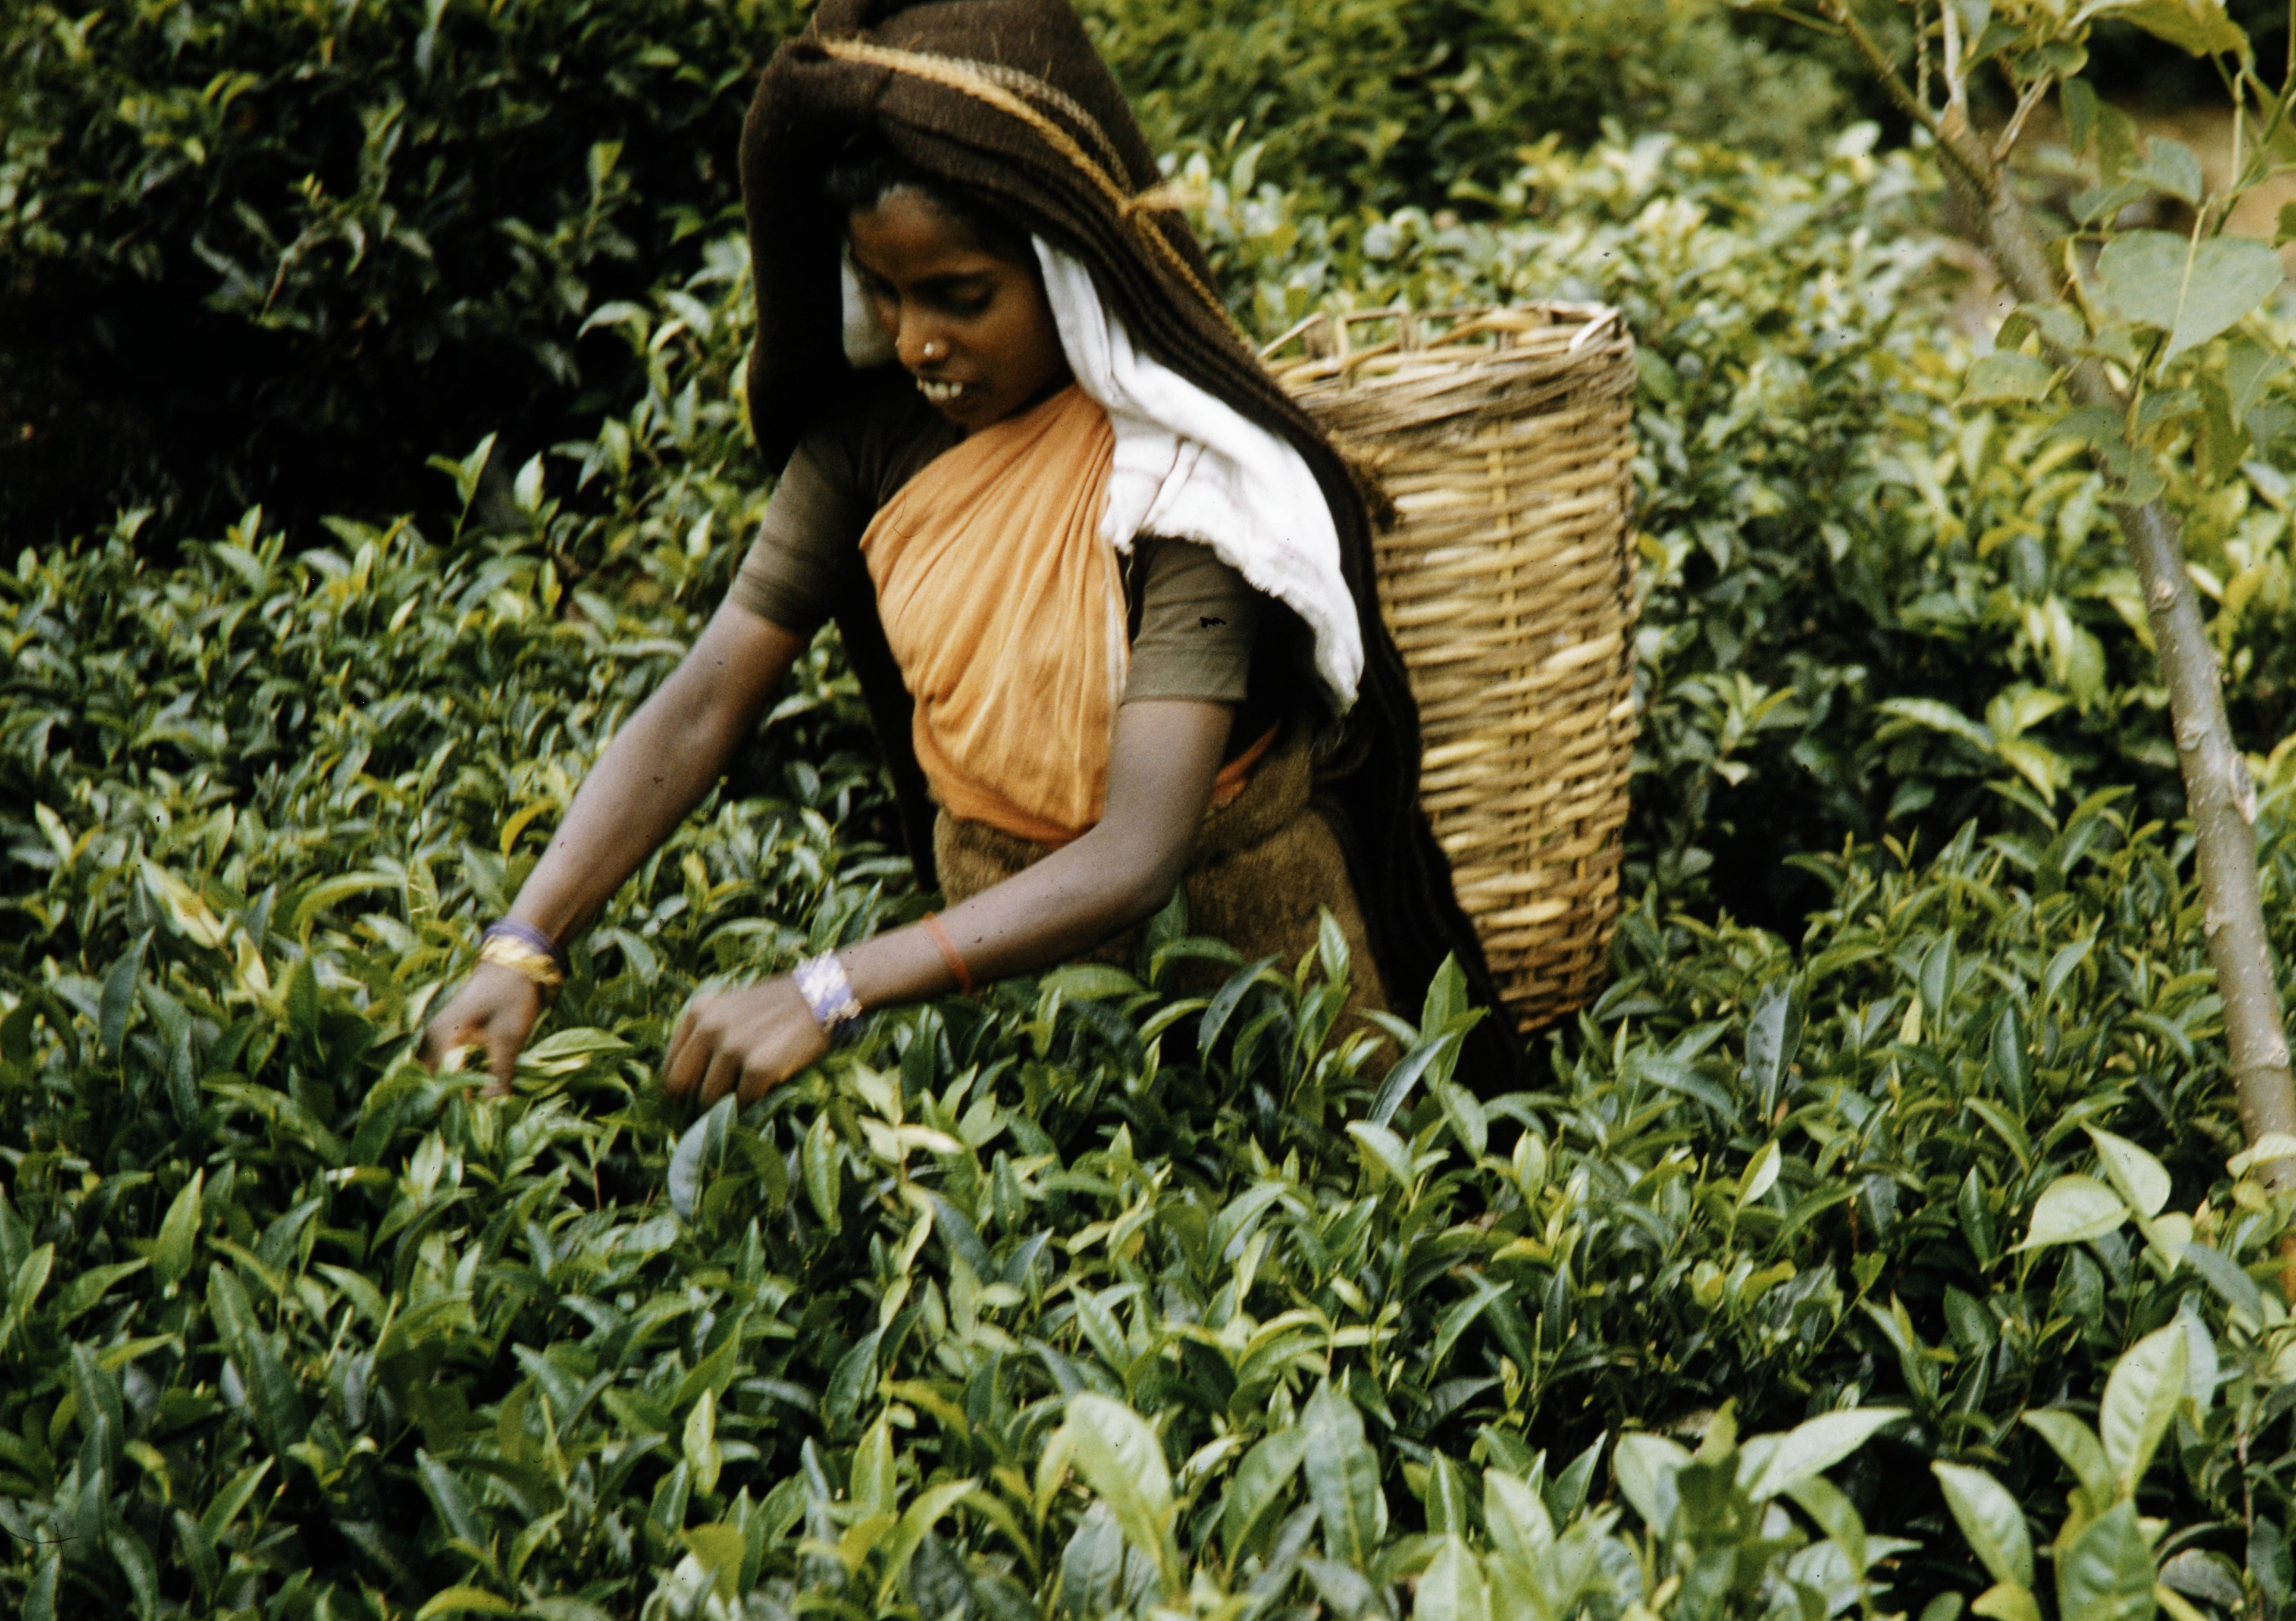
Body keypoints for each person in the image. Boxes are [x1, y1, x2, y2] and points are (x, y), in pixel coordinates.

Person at [419, 0, 1517, 1106]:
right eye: (885, 292)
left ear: (1071, 273)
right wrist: (524, 940)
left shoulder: (1189, 486)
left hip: (1254, 974)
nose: (914, 342)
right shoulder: (873, 443)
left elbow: (1138, 851)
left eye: (961, 297)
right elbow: (708, 696)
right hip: (996, 984)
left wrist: (829, 988)